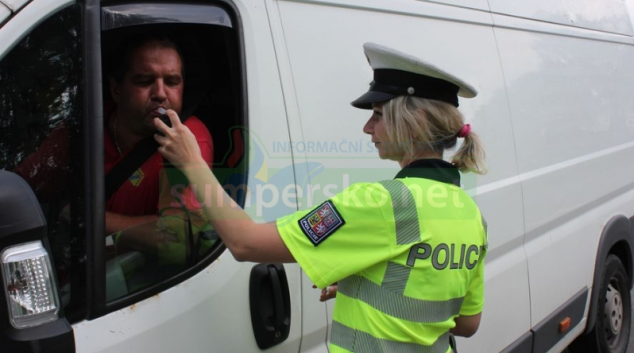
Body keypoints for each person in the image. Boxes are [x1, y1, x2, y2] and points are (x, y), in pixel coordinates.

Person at [154, 42, 488, 353]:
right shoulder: (471, 214)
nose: (368, 128)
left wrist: (191, 162)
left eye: (378, 115)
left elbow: (246, 244)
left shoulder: (380, 202)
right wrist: (366, 286)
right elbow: (466, 323)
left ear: (411, 123)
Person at [103, 33, 214, 237]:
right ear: (116, 89)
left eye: (172, 82)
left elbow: (178, 238)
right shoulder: (84, 128)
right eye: (145, 81)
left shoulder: (187, 137)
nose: (161, 93)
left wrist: (88, 219)